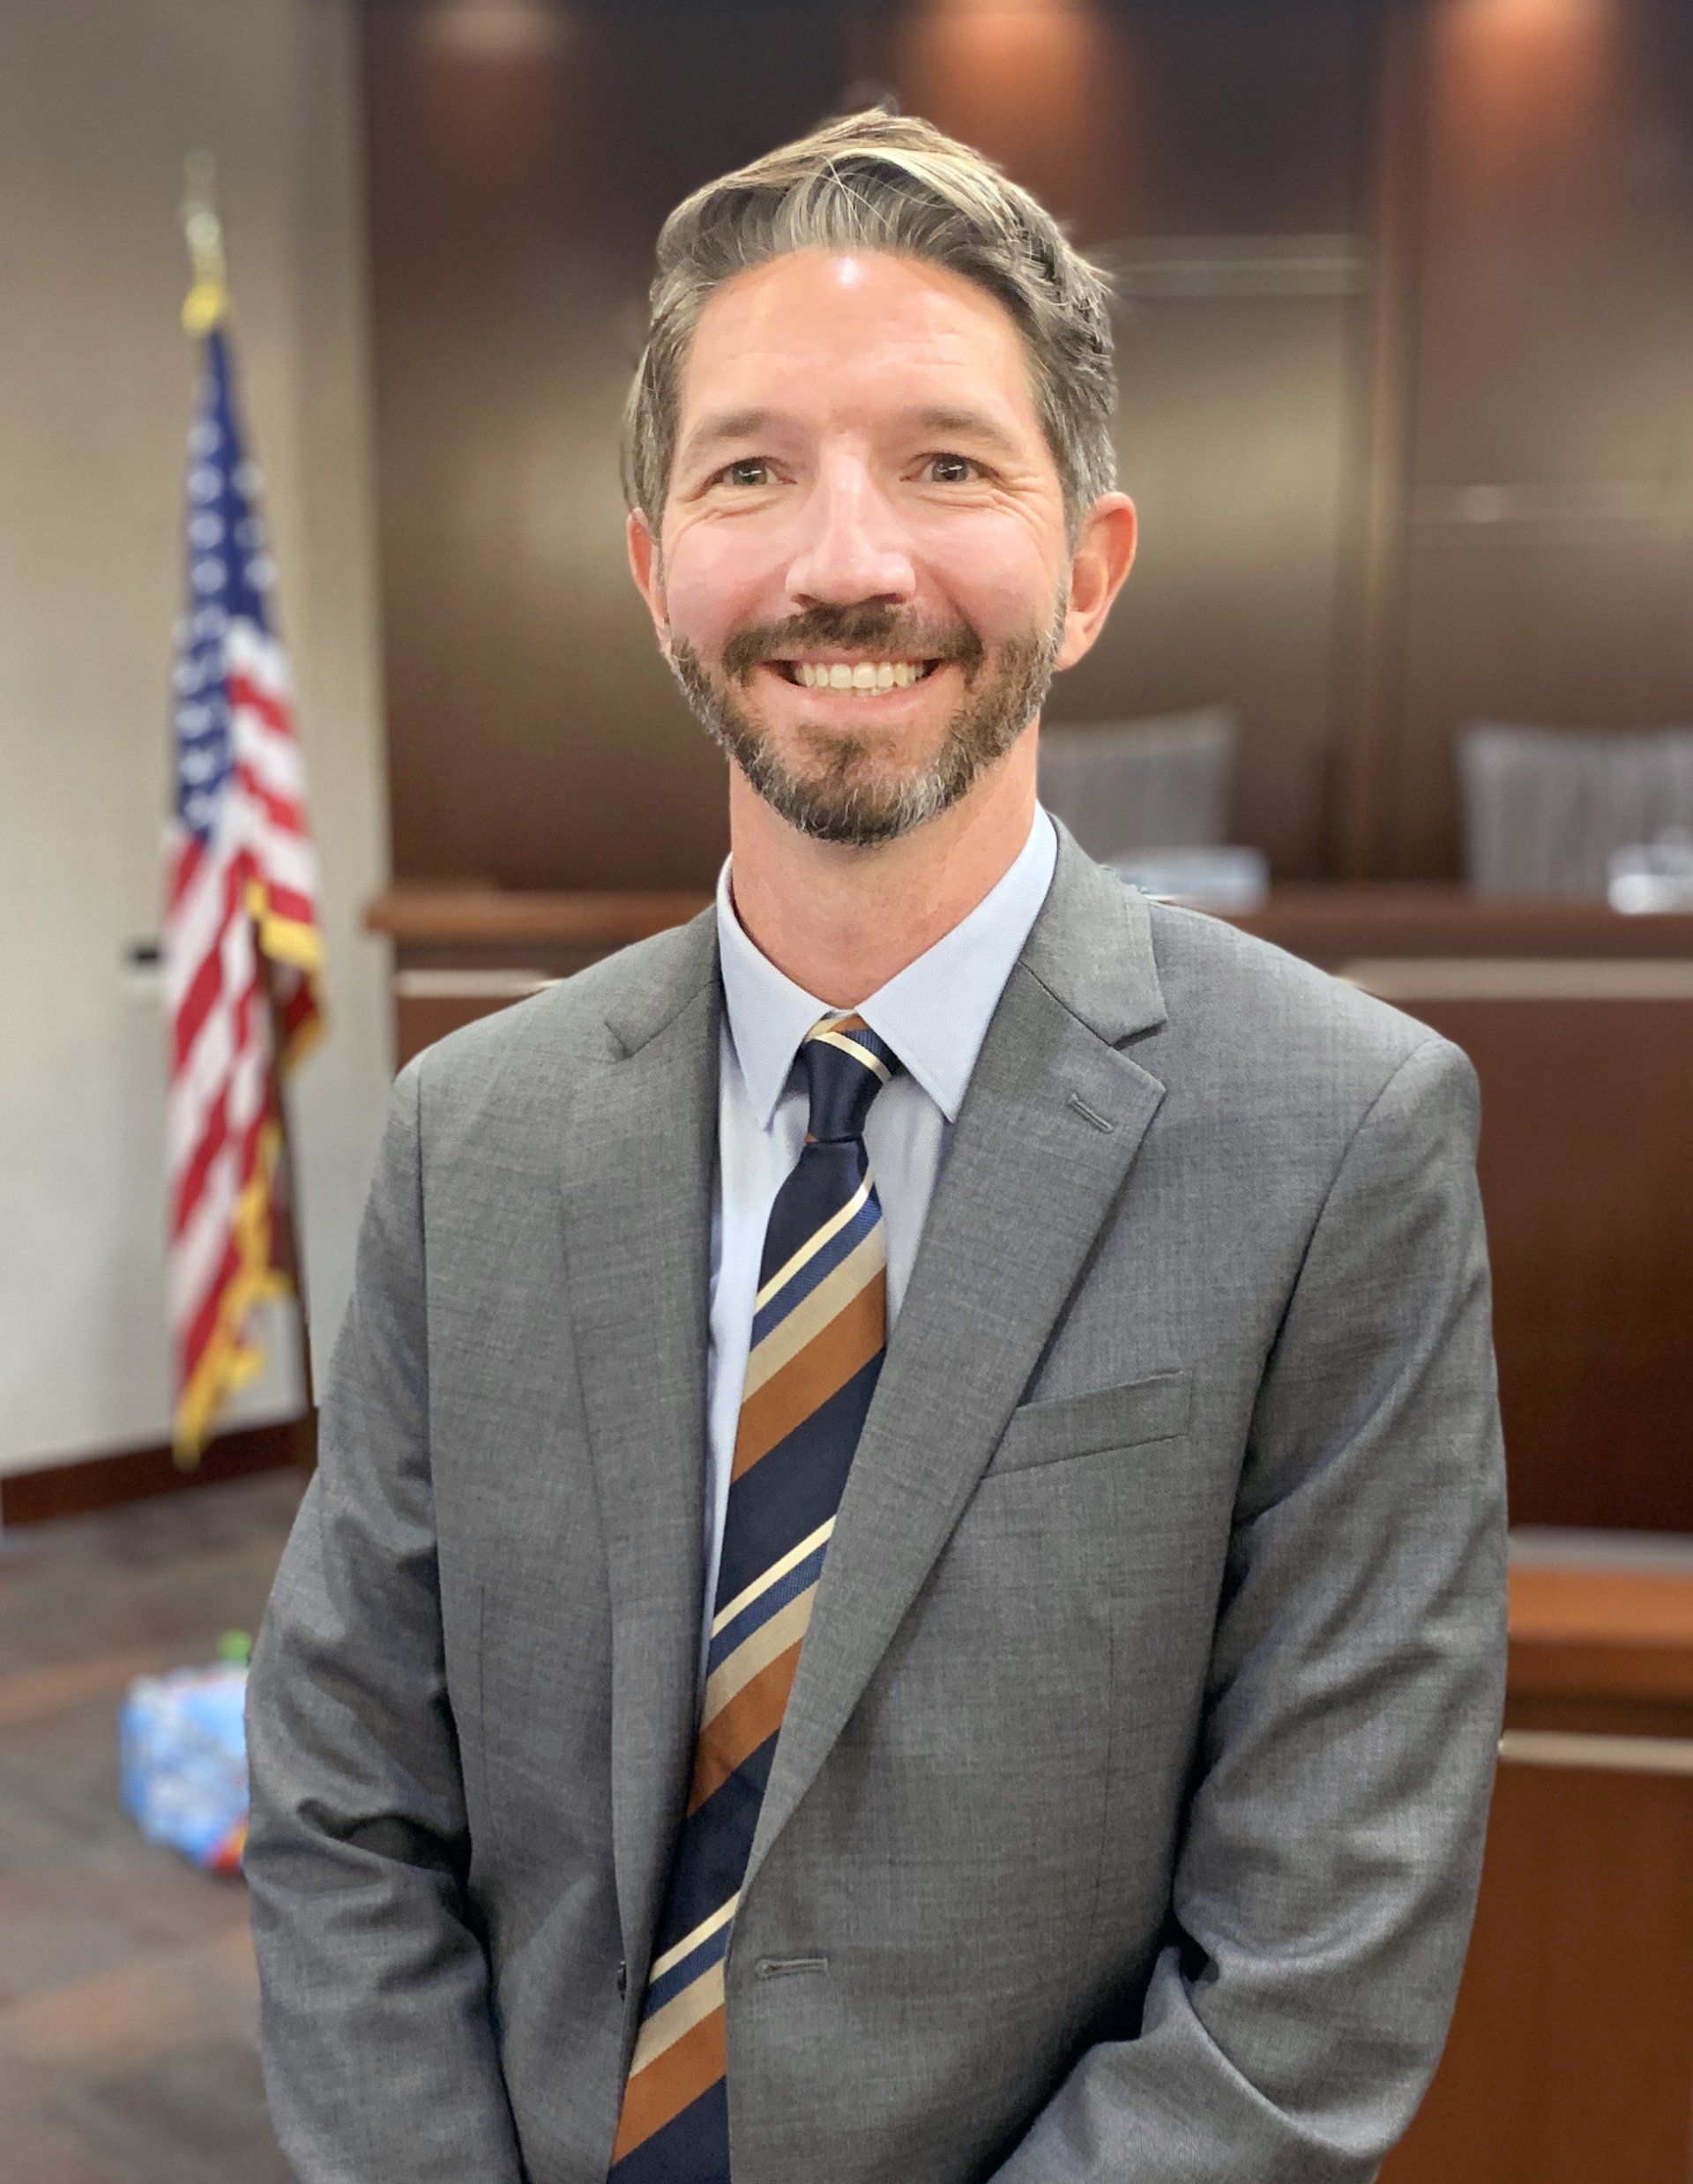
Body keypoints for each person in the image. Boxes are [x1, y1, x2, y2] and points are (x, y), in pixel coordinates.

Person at [245, 108, 1507, 2184]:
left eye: (946, 465)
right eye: (753, 470)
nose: (848, 560)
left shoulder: (1341, 1139)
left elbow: (1313, 1973)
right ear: (659, 571)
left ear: (1087, 567)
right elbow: (342, 1808)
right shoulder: (467, 1136)